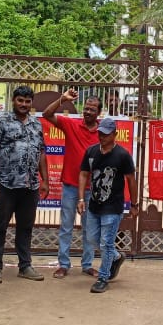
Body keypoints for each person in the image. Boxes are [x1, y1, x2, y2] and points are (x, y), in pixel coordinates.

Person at [0, 85, 49, 283]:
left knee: (26, 227)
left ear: (31, 103)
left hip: (30, 186)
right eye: (20, 100)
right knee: (0, 226)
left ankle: (25, 266)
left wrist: (45, 180)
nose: (23, 104)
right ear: (13, 100)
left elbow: (41, 152)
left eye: (27, 101)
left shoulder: (36, 124)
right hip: (6, 184)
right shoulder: (0, 121)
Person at [42, 87, 102, 278]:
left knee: (89, 229)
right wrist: (63, 99)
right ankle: (64, 264)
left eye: (92, 109)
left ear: (99, 113)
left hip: (92, 188)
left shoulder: (103, 132)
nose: (88, 112)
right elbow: (46, 114)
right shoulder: (71, 124)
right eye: (86, 108)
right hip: (70, 185)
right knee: (66, 227)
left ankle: (87, 264)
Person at [77, 117, 137, 293]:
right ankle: (116, 257)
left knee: (106, 243)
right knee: (91, 238)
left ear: (114, 134)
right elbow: (83, 174)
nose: (101, 137)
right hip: (94, 205)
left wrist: (134, 204)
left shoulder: (122, 155)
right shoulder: (91, 152)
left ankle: (103, 277)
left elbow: (131, 180)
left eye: (106, 134)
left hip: (113, 207)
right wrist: (81, 199)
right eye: (100, 133)